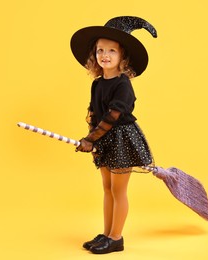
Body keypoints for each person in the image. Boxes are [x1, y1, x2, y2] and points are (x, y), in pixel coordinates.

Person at [70, 16, 157, 254]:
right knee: (107, 188)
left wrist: (91, 139)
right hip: (103, 138)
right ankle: (107, 233)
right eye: (100, 50)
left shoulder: (123, 84)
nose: (104, 55)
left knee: (119, 190)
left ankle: (116, 237)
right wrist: (90, 135)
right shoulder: (98, 83)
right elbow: (94, 112)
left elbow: (113, 115)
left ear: (123, 57)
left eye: (111, 50)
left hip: (121, 140)